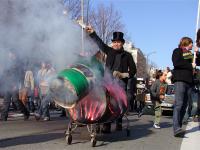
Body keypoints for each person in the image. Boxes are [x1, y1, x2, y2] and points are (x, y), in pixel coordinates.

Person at [86, 26, 137, 133]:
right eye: (114, 42)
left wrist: (123, 75)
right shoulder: (109, 51)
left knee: (117, 103)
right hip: (108, 82)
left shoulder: (128, 55)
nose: (116, 44)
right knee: (107, 102)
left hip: (121, 83)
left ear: (122, 43)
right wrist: (92, 33)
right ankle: (106, 124)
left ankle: (119, 121)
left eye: (118, 42)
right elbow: (100, 43)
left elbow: (133, 70)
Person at [172, 37, 200, 137]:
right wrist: (190, 66)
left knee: (184, 106)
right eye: (191, 44)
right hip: (180, 80)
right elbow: (177, 63)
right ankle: (176, 128)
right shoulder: (177, 51)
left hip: (189, 82)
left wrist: (198, 52)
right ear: (186, 43)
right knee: (179, 104)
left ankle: (178, 126)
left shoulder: (192, 55)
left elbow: (198, 62)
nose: (192, 46)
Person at [0, 49, 30, 121]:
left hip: (14, 84)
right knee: (6, 101)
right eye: (9, 54)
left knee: (16, 100)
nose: (10, 55)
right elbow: (4, 74)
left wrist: (16, 84)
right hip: (7, 84)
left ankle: (26, 113)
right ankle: (3, 117)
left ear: (14, 54)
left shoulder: (18, 63)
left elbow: (20, 75)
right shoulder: (7, 63)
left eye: (11, 54)